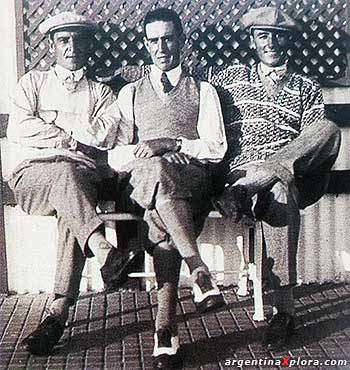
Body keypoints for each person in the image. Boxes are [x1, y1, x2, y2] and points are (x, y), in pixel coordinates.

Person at [210, 7, 341, 350]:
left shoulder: (306, 87)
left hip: (281, 179)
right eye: (263, 35)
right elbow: (192, 97)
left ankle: (253, 184)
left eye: (278, 36)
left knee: (326, 131)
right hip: (238, 171)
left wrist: (268, 171)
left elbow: (311, 145)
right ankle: (285, 311)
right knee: (281, 188)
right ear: (253, 40)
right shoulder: (229, 79)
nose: (271, 43)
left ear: (289, 41)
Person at [7, 12, 132, 355]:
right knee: (67, 180)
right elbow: (19, 128)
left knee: (71, 204)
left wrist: (51, 126)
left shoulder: (102, 93)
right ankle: (103, 250)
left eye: (79, 40)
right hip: (32, 176)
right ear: (51, 46)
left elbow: (106, 135)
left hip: (80, 178)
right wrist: (73, 137)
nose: (71, 47)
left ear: (90, 45)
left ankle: (57, 312)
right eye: (64, 40)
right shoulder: (32, 83)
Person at [108, 8, 227, 369]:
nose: (161, 47)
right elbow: (115, 155)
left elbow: (216, 148)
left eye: (168, 38)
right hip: (146, 180)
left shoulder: (203, 90)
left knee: (160, 212)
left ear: (181, 40)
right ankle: (198, 273)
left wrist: (174, 143)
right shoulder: (129, 93)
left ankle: (165, 328)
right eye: (153, 40)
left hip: (191, 181)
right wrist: (152, 153)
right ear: (146, 45)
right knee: (157, 186)